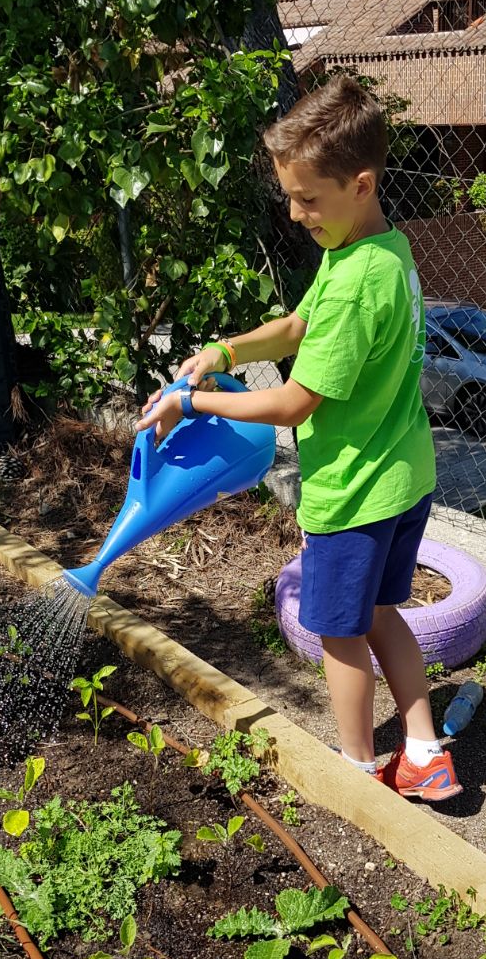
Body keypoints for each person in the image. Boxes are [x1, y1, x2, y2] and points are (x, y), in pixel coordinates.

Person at [136, 75, 460, 801]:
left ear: (361, 184)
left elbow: (293, 403)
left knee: (341, 632)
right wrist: (224, 351)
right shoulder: (377, 252)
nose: (294, 213)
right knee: (382, 615)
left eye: (308, 199)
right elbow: (293, 327)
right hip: (404, 477)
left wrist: (191, 401)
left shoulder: (353, 283)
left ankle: (356, 769)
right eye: (290, 196)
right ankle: (423, 749)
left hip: (354, 492)